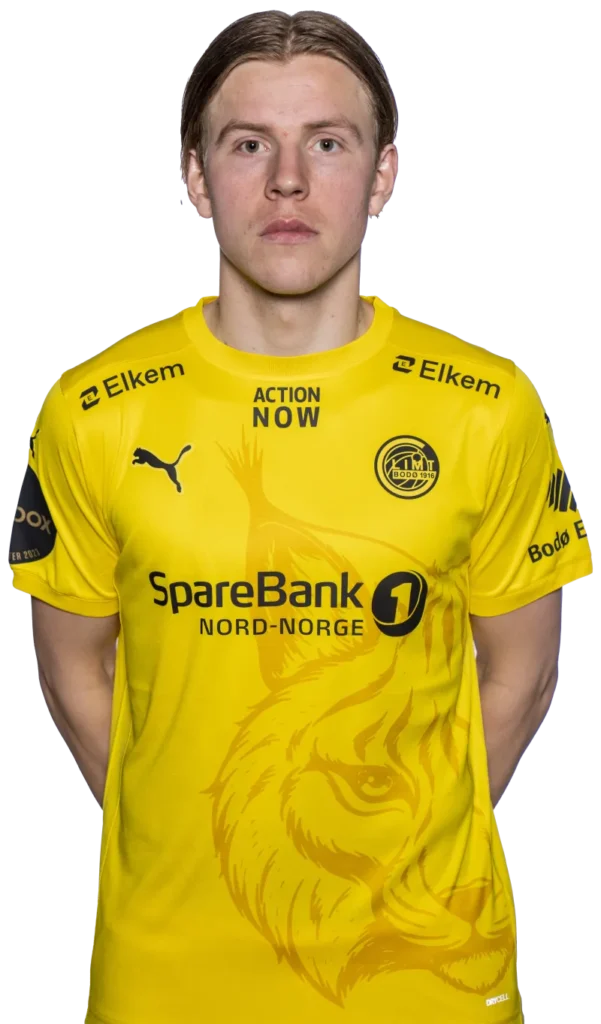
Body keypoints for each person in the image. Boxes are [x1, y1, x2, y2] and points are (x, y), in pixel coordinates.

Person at [8, 11, 593, 1024]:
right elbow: (71, 670)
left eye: (326, 143)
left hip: (424, 980)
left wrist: (392, 848)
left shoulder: (486, 407)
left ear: (382, 174)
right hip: (169, 976)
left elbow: (520, 674)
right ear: (196, 176)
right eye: (248, 145)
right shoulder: (94, 411)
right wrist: (203, 839)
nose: (288, 181)